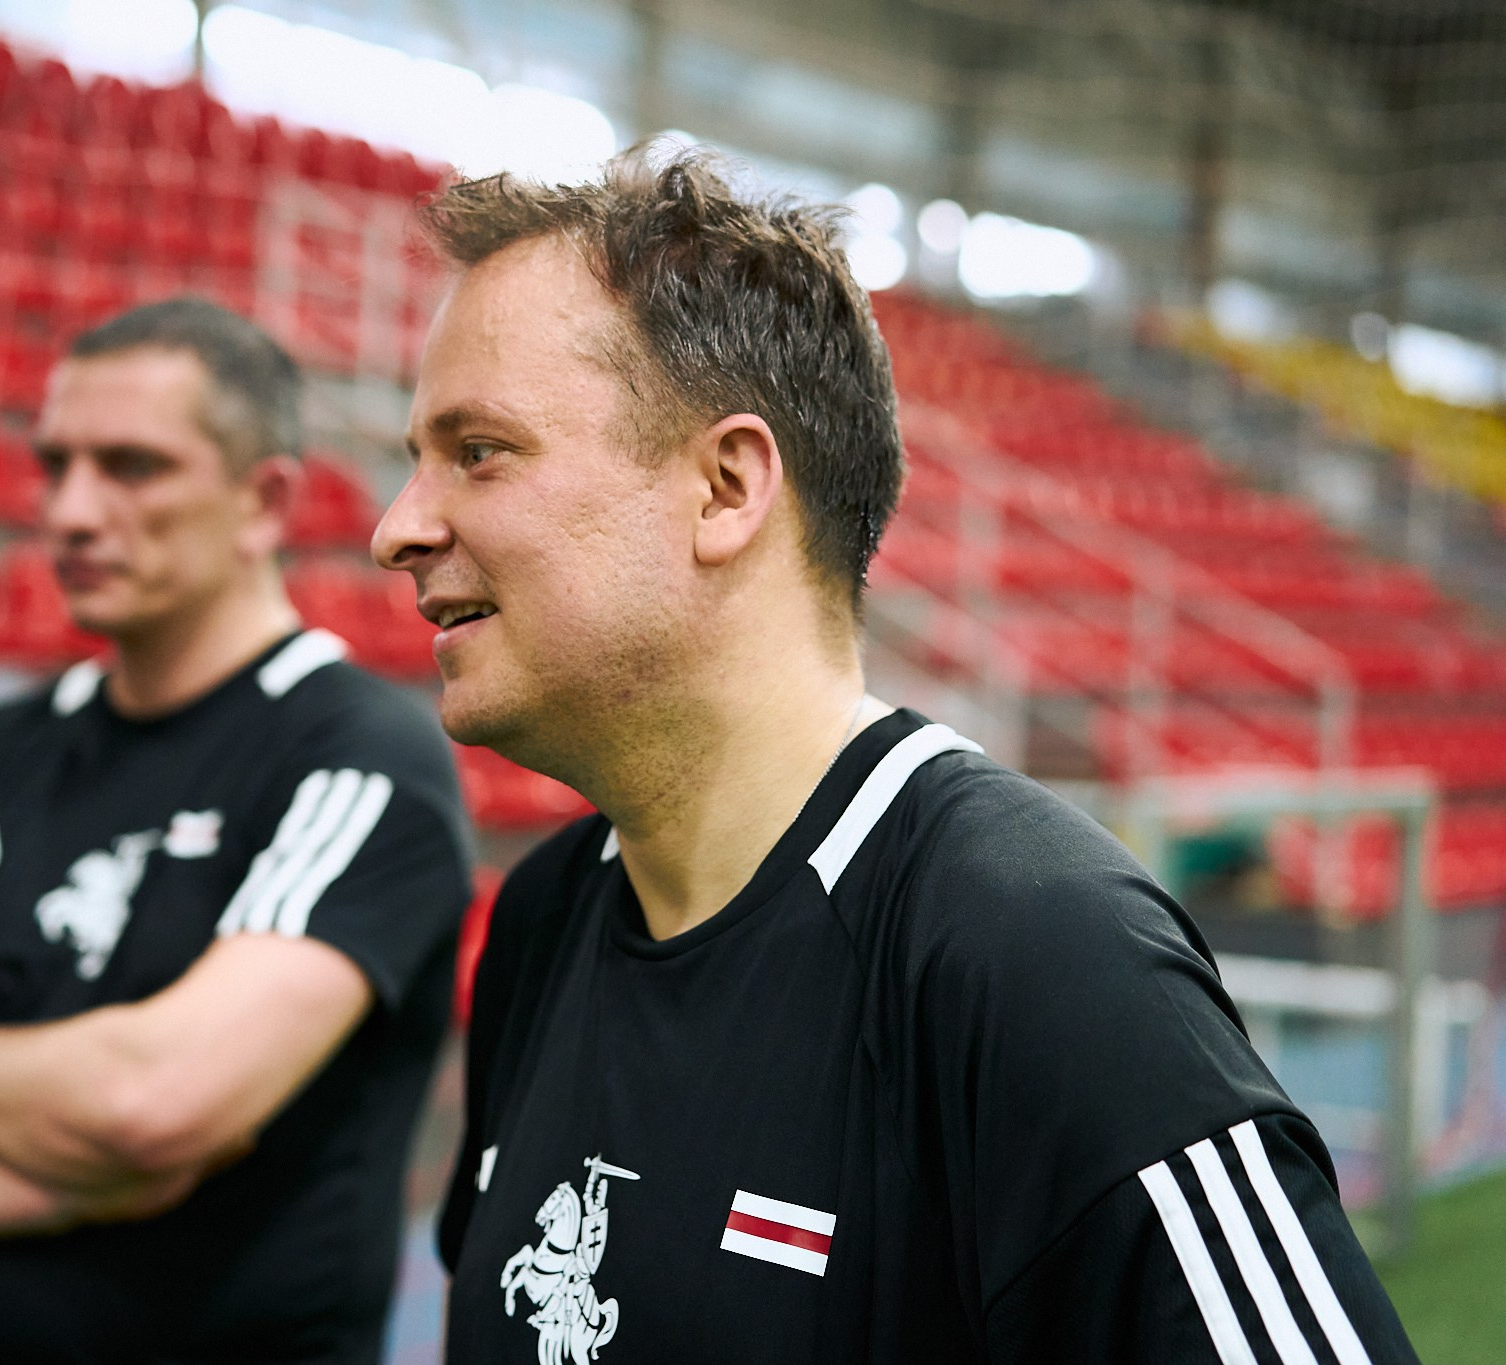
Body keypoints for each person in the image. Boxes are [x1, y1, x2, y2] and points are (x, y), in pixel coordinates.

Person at [374, 152, 1419, 1363]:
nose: (397, 526)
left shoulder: (1037, 952)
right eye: (414, 457)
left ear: (724, 488)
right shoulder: (548, 917)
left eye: (479, 451)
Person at [0, 298, 471, 1365]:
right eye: (54, 464)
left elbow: (149, 1102)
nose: (70, 510)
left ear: (264, 502)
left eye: (130, 467)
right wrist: (76, 1188)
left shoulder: (359, 758)